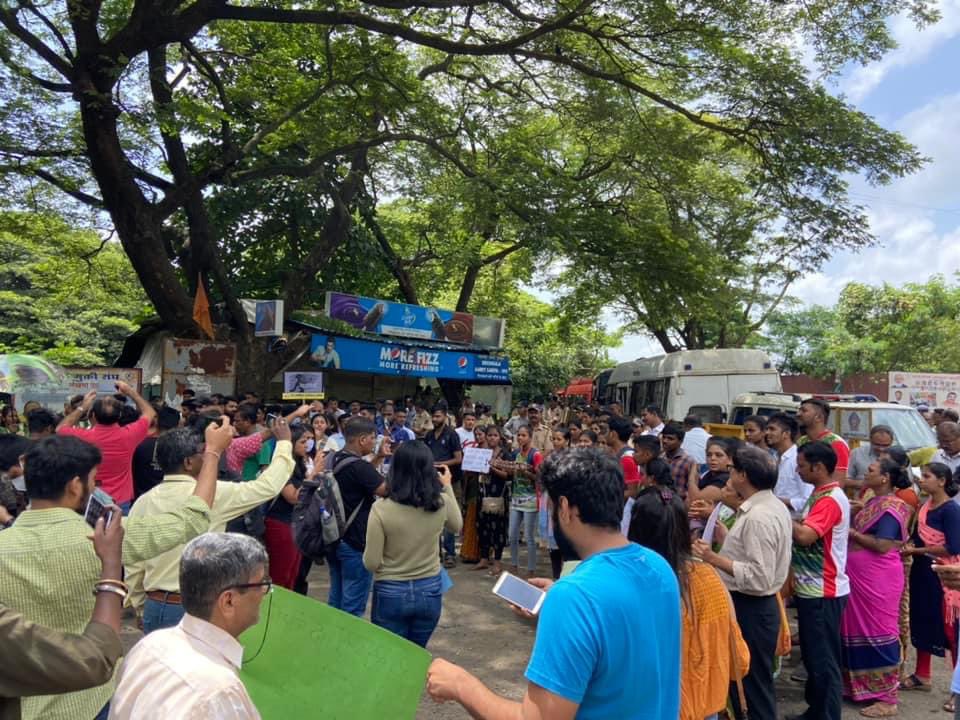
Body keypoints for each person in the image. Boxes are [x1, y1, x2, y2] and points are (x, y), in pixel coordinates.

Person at [426, 448, 681, 718]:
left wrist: (461, 685)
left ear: (564, 508)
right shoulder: (659, 567)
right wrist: (559, 609)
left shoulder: (574, 596)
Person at [0, 421, 227, 720]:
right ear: (75, 485)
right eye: (94, 480)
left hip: (19, 701)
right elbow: (192, 518)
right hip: (92, 696)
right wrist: (211, 453)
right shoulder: (109, 537)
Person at [126, 418, 293, 633]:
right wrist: (284, 443)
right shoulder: (214, 495)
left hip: (155, 604)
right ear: (188, 463)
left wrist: (140, 604)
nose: (211, 457)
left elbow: (134, 561)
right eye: (204, 453)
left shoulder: (144, 501)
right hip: (194, 607)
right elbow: (267, 486)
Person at [109, 533, 271, 719]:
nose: (264, 593)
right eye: (261, 584)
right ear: (228, 601)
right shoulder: (220, 693)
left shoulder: (149, 645)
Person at [629, 486, 750, 720]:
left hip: (656, 706)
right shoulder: (710, 577)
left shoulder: (634, 584)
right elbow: (740, 659)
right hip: (706, 703)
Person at [692, 445, 792, 720]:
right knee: (748, 684)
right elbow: (753, 556)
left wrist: (713, 557)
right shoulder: (767, 506)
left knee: (751, 687)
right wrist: (726, 539)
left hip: (752, 606)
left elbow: (758, 576)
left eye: (733, 470)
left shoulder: (759, 516)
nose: (729, 474)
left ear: (743, 476)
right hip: (754, 605)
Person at [0, 509, 124, 720]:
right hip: (90, 701)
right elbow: (96, 659)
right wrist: (112, 565)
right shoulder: (96, 538)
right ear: (75, 486)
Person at [363, 442, 462, 647]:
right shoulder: (439, 503)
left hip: (390, 589)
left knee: (389, 655)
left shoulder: (380, 509)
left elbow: (371, 563)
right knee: (417, 653)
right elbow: (456, 525)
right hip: (429, 588)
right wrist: (448, 485)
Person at [840, 457, 914, 717]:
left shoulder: (893, 507)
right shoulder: (873, 501)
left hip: (877, 580)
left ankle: (887, 698)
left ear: (885, 478)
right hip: (860, 578)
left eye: (870, 471)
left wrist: (851, 533)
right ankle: (858, 687)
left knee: (879, 632)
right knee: (854, 629)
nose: (865, 473)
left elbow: (883, 545)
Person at [790, 441, 851, 720]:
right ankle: (816, 711)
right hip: (811, 589)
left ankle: (826, 715)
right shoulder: (820, 493)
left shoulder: (828, 499)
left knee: (824, 660)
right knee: (815, 657)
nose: (797, 470)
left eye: (801, 465)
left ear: (818, 467)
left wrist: (779, 515)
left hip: (822, 591)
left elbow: (805, 536)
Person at [901, 462, 960, 708]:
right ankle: (922, 674)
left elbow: (953, 547)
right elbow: (916, 536)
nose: (921, 481)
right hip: (923, 572)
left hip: (945, 574)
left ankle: (957, 693)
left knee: (951, 630)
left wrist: (918, 550)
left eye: (926, 477)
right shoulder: (925, 506)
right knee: (922, 619)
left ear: (942, 481)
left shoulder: (950, 511)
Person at [56, 383, 156, 513]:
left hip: (90, 497)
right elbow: (150, 412)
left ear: (93, 416)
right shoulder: (129, 435)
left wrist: (83, 406)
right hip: (120, 500)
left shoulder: (83, 436)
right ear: (119, 416)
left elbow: (60, 429)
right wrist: (130, 391)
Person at [327, 417, 389, 617]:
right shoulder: (358, 467)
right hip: (355, 541)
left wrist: (378, 457)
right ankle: (346, 644)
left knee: (336, 597)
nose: (374, 442)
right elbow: (384, 490)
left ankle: (330, 639)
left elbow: (362, 477)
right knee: (353, 604)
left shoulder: (334, 458)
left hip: (333, 535)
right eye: (373, 438)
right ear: (362, 439)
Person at [263, 425, 312, 590]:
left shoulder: (300, 465)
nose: (307, 445)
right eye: (303, 441)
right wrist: (313, 476)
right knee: (280, 575)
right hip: (280, 524)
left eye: (309, 441)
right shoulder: (282, 467)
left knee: (293, 574)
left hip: (295, 524)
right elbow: (293, 497)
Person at [424, 405, 463, 568]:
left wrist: (440, 464)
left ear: (445, 416)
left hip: (449, 480)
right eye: (433, 416)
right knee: (433, 514)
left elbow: (458, 458)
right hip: (432, 480)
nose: (435, 419)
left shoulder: (452, 434)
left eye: (438, 416)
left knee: (449, 516)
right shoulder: (429, 435)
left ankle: (450, 553)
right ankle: (436, 552)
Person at [474, 426, 512, 575]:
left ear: (500, 437)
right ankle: (484, 558)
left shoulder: (506, 455)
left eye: (495, 435)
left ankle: (497, 561)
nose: (491, 438)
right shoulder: (481, 453)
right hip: (483, 492)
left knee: (498, 529)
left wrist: (492, 468)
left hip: (499, 494)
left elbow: (509, 475)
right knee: (482, 526)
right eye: (489, 435)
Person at [508, 425, 542, 578]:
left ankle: (531, 569)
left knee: (529, 536)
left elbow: (540, 478)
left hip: (530, 499)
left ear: (530, 437)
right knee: (512, 534)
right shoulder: (515, 453)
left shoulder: (536, 455)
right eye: (518, 435)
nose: (520, 438)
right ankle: (514, 565)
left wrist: (526, 472)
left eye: (523, 435)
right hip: (516, 497)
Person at [766, 412, 812, 517]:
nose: (767, 433)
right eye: (767, 429)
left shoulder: (798, 459)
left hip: (793, 523)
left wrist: (774, 501)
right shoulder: (774, 458)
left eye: (772, 429)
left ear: (786, 433)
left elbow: (807, 501)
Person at [797, 398, 850, 485]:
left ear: (819, 417)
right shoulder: (801, 441)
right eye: (799, 410)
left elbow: (838, 483)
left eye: (804, 411)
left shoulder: (836, 444)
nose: (798, 414)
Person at [132, 406, 181, 500]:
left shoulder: (140, 444)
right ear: (178, 424)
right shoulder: (181, 449)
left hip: (141, 498)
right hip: (169, 499)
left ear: (157, 422)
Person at [540, 428, 570, 579]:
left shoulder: (571, 458)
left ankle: (565, 576)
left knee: (565, 540)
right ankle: (555, 576)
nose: (556, 442)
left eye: (559, 439)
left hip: (564, 498)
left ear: (567, 441)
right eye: (554, 439)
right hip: (550, 498)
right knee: (553, 542)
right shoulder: (550, 457)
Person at [846, 424, 896, 499]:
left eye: (885, 445)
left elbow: (907, 483)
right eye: (877, 444)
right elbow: (843, 480)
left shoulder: (898, 457)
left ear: (892, 442)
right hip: (860, 503)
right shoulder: (857, 453)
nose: (881, 449)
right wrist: (863, 483)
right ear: (870, 440)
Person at [660, 423, 699, 499]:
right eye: (663, 437)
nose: (665, 441)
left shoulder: (689, 461)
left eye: (670, 438)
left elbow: (693, 489)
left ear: (680, 441)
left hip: (679, 505)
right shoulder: (660, 458)